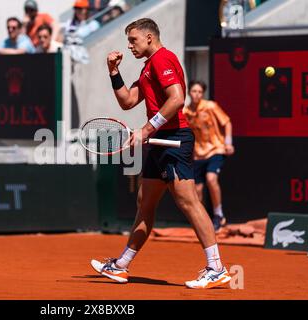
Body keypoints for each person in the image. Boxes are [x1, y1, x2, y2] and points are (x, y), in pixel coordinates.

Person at [90, 18, 232, 289]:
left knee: (188, 201)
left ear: (149, 38)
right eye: (128, 41)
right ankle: (120, 266)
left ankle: (216, 267)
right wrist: (113, 71)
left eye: (133, 40)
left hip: (174, 138)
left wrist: (145, 129)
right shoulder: (147, 68)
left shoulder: (162, 60)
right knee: (145, 202)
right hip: (160, 140)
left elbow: (177, 98)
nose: (129, 46)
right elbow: (128, 101)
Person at [183, 80, 235, 231]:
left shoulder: (211, 106)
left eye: (199, 92)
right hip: (198, 155)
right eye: (194, 91)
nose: (197, 94)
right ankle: (204, 221)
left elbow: (227, 122)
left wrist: (228, 143)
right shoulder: (186, 112)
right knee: (197, 190)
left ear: (202, 94)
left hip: (215, 149)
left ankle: (219, 215)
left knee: (211, 178)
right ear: (189, 93)